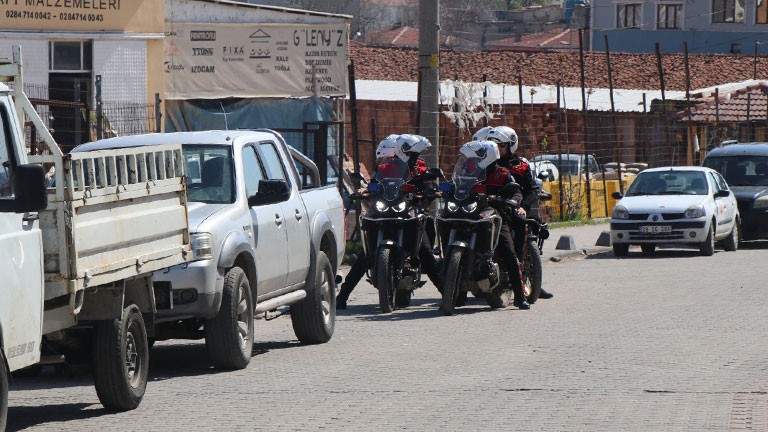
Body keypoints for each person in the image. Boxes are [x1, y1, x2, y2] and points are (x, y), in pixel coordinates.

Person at [337, 134, 442, 309]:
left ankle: (446, 295)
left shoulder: (421, 168)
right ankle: (342, 297)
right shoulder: (386, 167)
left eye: (415, 154)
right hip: (385, 210)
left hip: (408, 212)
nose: (414, 158)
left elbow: (430, 184)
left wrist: (428, 191)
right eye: (412, 154)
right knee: (365, 256)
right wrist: (365, 190)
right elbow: (375, 184)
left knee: (424, 252)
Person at [459, 140, 529, 310]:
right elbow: (457, 185)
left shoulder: (502, 174)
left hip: (495, 216)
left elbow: (516, 191)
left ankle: (520, 296)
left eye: (477, 157)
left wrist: (513, 200)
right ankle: (455, 294)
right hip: (472, 215)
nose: (473, 160)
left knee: (509, 253)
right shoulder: (469, 172)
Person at [488, 126, 554, 301]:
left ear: (510, 145)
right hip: (493, 206)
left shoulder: (521, 166)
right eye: (493, 144)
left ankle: (530, 278)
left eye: (500, 145)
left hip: (517, 207)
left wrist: (523, 205)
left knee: (524, 221)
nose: (497, 148)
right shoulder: (488, 163)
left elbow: (532, 189)